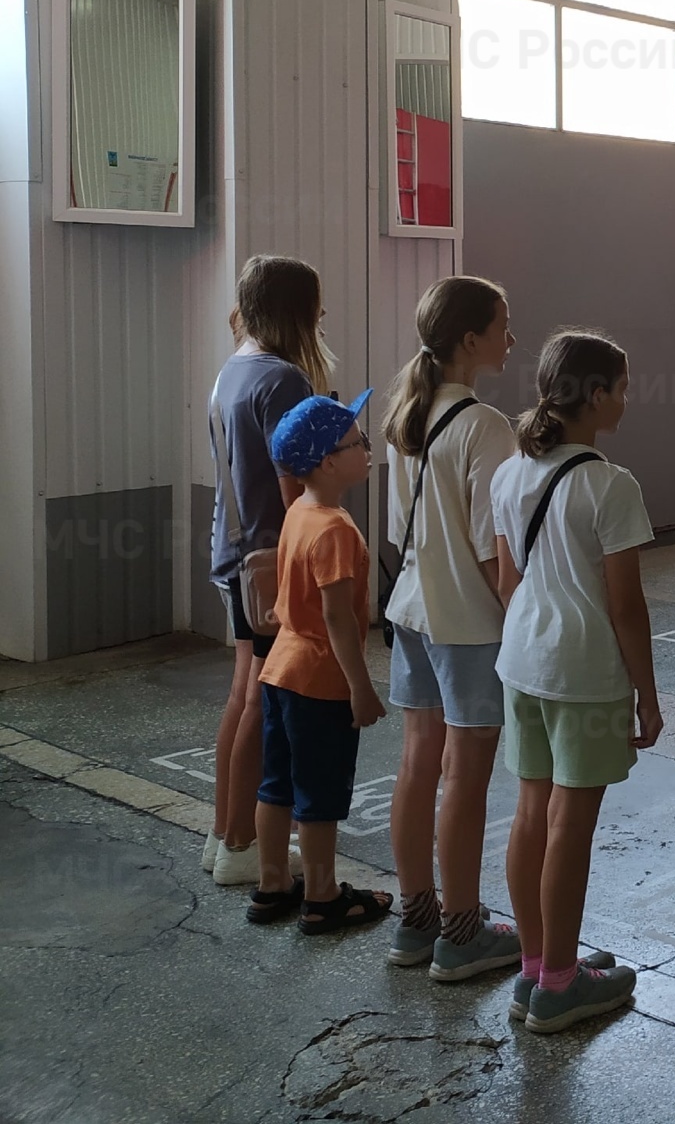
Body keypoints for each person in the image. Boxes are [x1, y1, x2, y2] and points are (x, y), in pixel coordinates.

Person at [493, 331, 661, 1033]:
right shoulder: (610, 486)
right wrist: (646, 697)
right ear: (595, 397)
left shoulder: (510, 474)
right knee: (570, 825)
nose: (627, 398)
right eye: (622, 387)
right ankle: (563, 985)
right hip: (584, 675)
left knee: (531, 813)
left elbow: (509, 583)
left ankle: (536, 968)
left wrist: (537, 637)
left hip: (522, 663)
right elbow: (626, 605)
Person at [380, 277, 523, 978]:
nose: (511, 337)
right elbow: (494, 549)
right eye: (503, 324)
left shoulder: (406, 414)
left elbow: (392, 530)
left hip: (410, 612)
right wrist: (525, 629)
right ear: (470, 340)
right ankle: (465, 934)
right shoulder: (485, 427)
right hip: (467, 625)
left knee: (415, 765)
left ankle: (417, 920)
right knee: (465, 777)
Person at [205, 255, 334, 888]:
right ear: (295, 310)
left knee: (242, 691)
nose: (322, 315)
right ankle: (238, 843)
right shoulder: (284, 379)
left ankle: (223, 832)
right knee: (261, 696)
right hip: (269, 557)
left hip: (233, 553)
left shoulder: (234, 367)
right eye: (316, 305)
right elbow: (295, 494)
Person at [249, 391, 397, 933]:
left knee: (277, 784)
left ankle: (271, 885)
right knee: (319, 794)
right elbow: (337, 618)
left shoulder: (299, 512)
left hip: (279, 670)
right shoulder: (334, 527)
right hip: (318, 679)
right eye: (358, 442)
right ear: (328, 461)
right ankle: (322, 896)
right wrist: (361, 688)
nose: (368, 447)